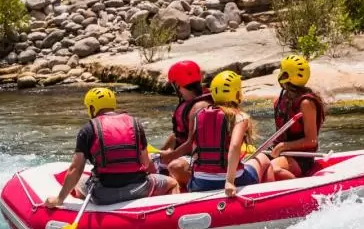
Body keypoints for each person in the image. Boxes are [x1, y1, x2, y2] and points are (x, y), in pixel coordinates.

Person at [43, 88, 179, 207]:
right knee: (172, 183)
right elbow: (145, 162)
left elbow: (75, 169)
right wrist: (152, 178)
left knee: (79, 183)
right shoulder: (135, 124)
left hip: (103, 195)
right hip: (139, 189)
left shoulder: (88, 129)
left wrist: (59, 199)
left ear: (92, 108)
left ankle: (95, 215)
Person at [161, 71, 272, 197]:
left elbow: (193, 148)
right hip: (233, 180)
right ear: (237, 93)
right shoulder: (240, 116)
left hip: (199, 182)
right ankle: (268, 201)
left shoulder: (199, 115)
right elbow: (234, 147)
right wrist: (229, 182)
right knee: (264, 159)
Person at [269, 54, 326, 180]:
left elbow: (311, 141)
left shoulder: (306, 103)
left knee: (273, 170)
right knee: (253, 165)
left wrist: (283, 146)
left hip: (301, 157)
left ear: (285, 76)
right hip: (280, 153)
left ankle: (302, 190)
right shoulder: (278, 100)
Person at [161, 60, 212, 189]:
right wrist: (162, 152)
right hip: (187, 154)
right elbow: (177, 135)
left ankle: (194, 187)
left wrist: (170, 156)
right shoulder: (188, 104)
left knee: (175, 167)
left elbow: (191, 144)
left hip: (200, 157)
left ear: (177, 84)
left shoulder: (200, 106)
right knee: (152, 161)